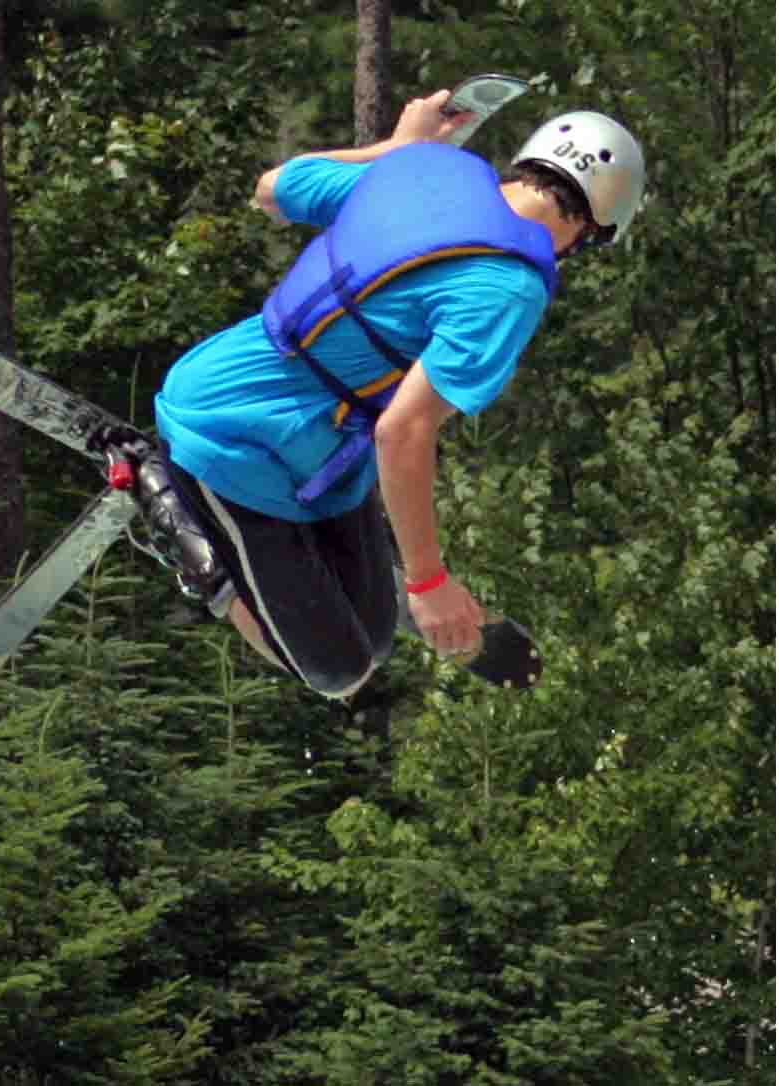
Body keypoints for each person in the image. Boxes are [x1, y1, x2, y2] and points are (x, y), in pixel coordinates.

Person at [132, 88, 645, 700]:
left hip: (315, 450)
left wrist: (395, 148)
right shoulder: (510, 287)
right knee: (336, 671)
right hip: (230, 436)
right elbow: (402, 430)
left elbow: (272, 189)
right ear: (589, 230)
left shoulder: (423, 167)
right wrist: (429, 583)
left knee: (375, 640)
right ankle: (183, 530)